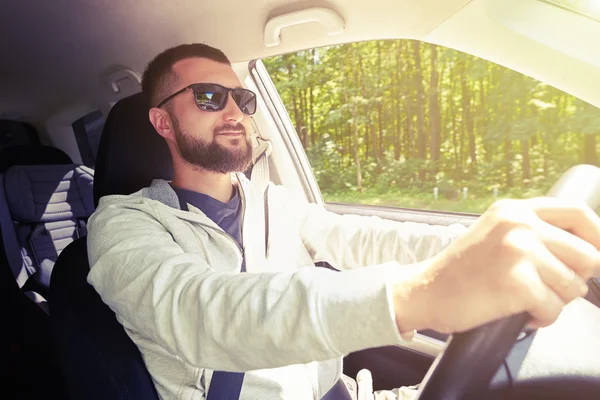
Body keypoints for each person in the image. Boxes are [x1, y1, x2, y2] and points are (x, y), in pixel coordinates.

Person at [87, 43, 600, 400]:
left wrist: (495, 243)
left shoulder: (274, 202)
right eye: (208, 96)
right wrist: (419, 293)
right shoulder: (124, 226)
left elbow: (366, 239)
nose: (234, 113)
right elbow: (203, 314)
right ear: (162, 121)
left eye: (242, 99)